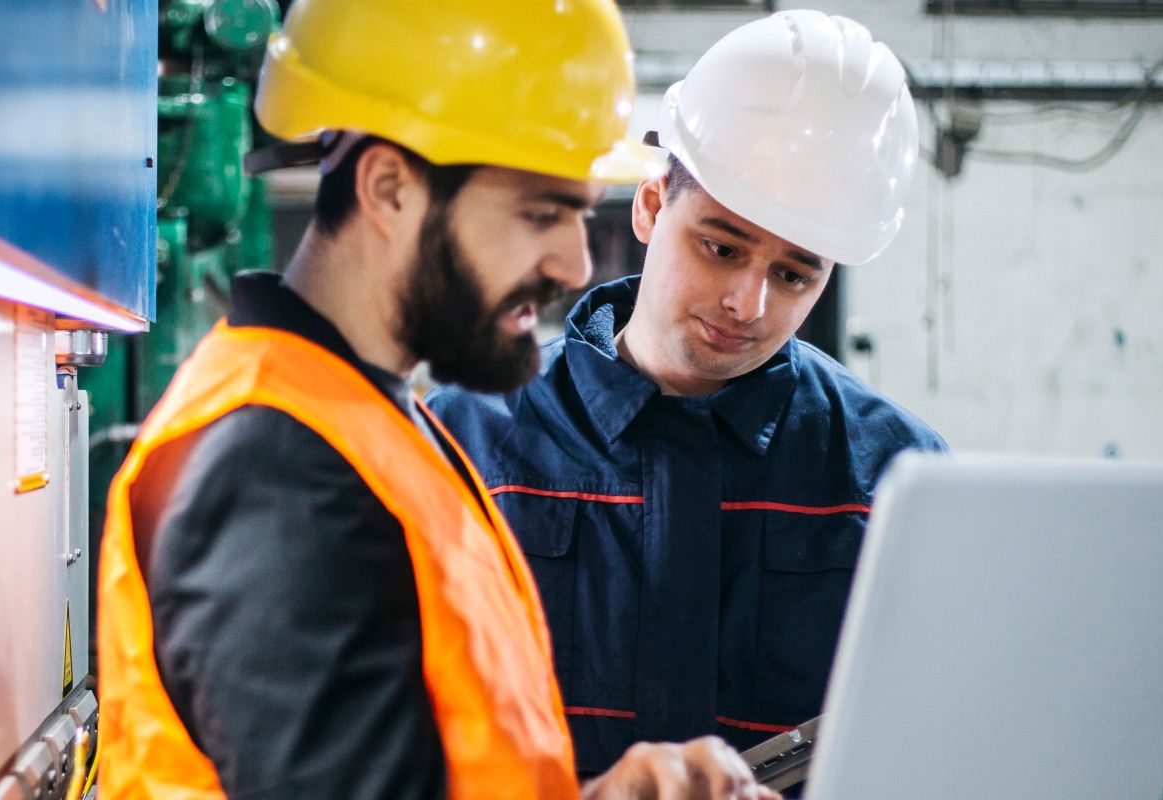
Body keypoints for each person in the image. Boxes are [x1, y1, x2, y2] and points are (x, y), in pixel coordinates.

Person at [96, 1, 781, 798]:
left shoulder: (364, 420)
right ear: (388, 187)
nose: (573, 263)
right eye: (539, 213)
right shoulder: (273, 469)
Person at [427, 10, 947, 779]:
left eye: (793, 274)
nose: (749, 304)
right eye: (721, 247)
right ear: (649, 207)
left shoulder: (896, 477)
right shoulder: (466, 442)